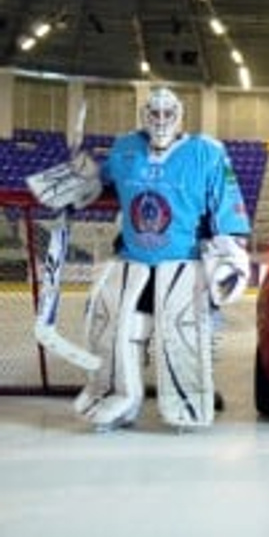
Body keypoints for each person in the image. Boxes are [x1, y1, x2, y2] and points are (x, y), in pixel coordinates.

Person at [29, 87, 251, 431]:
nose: (161, 120)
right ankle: (116, 399)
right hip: (131, 264)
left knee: (184, 335)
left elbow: (226, 203)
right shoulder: (125, 149)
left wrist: (230, 254)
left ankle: (189, 400)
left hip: (184, 266)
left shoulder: (207, 152)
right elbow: (98, 181)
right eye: (154, 113)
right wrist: (75, 178)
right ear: (144, 115)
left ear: (179, 115)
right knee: (118, 332)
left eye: (167, 113)